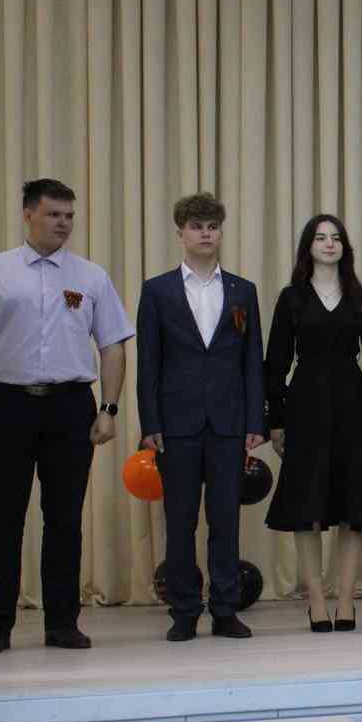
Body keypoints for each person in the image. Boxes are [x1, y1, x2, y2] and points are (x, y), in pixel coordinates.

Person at [0, 178, 134, 655]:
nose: (63, 224)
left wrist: (109, 408)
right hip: (7, 405)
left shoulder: (91, 276)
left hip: (70, 407)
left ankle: (62, 624)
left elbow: (113, 346)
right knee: (3, 518)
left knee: (65, 518)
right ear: (28, 214)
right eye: (53, 215)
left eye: (69, 216)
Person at [135, 192, 265, 642]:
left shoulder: (243, 290)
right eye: (196, 226)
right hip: (176, 422)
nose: (205, 234)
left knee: (226, 519)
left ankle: (225, 609)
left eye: (212, 226)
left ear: (221, 232)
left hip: (229, 421)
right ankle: (184, 610)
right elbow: (148, 362)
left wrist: (255, 421)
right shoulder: (157, 290)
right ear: (180, 233)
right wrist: (150, 423)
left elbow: (252, 360)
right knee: (180, 520)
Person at [264, 215, 362, 633]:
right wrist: (276, 419)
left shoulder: (361, 296)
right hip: (305, 405)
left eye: (336, 238)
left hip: (354, 405)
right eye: (320, 238)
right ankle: (317, 601)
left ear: (345, 247)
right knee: (308, 506)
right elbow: (275, 363)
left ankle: (347, 599)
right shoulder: (291, 298)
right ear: (308, 247)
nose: (329, 244)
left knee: (353, 505)